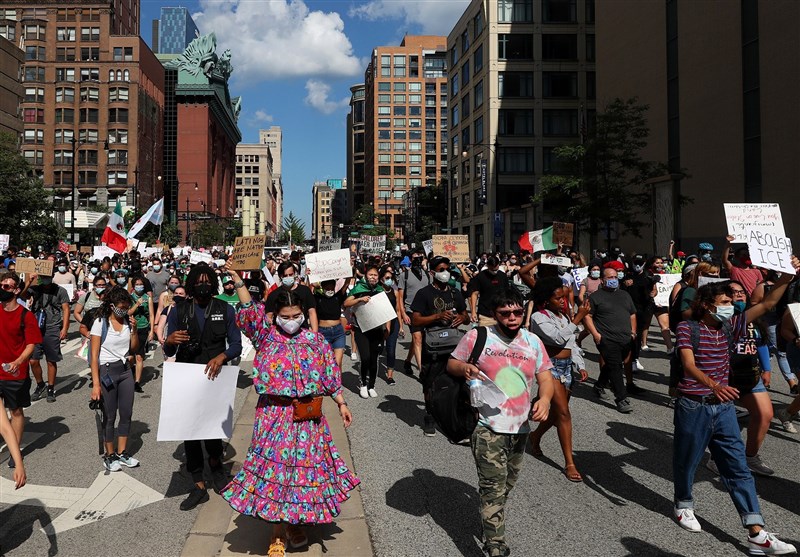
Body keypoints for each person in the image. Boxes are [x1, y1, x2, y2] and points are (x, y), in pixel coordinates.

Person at [222, 270, 359, 557]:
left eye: (296, 314)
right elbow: (249, 310)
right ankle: (276, 535)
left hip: (308, 417)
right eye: (286, 315)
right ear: (275, 315)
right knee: (278, 474)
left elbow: (330, 374)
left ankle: (296, 524)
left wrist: (341, 402)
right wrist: (238, 280)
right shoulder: (266, 337)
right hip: (274, 416)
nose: (292, 320)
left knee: (303, 475)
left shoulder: (315, 341)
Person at [672, 274, 798, 555]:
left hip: (724, 408)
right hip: (694, 406)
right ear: (707, 305)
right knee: (687, 461)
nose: (732, 306)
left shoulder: (732, 325)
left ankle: (757, 533)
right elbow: (689, 365)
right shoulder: (687, 328)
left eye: (732, 301)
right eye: (725, 302)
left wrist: (786, 278)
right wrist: (714, 385)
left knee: (738, 468)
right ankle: (683, 503)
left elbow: (767, 304)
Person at [447, 287, 554, 557]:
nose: (512, 318)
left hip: (520, 428)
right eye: (505, 313)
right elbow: (452, 364)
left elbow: (545, 376)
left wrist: (545, 400)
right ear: (494, 315)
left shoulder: (532, 342)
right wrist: (465, 368)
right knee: (493, 486)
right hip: (486, 426)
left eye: (517, 312)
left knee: (507, 483)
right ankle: (495, 543)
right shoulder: (478, 336)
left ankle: (489, 518)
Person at [164, 264, 242, 511]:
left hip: (215, 377)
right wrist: (168, 341)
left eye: (208, 280)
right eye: (198, 281)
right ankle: (198, 484)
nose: (203, 284)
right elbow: (168, 350)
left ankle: (218, 470)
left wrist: (222, 357)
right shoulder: (179, 310)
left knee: (213, 430)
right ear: (190, 284)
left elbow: (237, 345)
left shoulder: (224, 309)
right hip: (188, 377)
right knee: (191, 433)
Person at [705, 281, 777, 477]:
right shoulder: (722, 320)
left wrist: (767, 369)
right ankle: (716, 458)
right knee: (725, 420)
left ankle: (750, 457)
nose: (739, 296)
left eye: (741, 292)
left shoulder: (753, 320)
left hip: (751, 375)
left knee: (765, 415)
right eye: (733, 293)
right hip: (726, 377)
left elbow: (760, 343)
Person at [528, 277, 590, 482]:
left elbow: (571, 344)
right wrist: (577, 318)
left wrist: (579, 364)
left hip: (567, 368)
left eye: (564, 297)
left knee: (555, 415)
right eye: (558, 298)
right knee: (564, 412)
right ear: (546, 300)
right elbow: (557, 338)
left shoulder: (564, 317)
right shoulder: (539, 317)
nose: (563, 301)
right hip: (550, 367)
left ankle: (535, 436)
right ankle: (569, 463)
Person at [411, 256, 469, 436]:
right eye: (441, 269)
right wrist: (436, 317)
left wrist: (462, 318)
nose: (445, 273)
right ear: (432, 272)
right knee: (429, 383)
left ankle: (457, 419)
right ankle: (430, 416)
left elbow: (464, 314)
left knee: (459, 382)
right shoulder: (424, 294)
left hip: (453, 346)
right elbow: (416, 319)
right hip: (433, 347)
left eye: (447, 269)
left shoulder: (455, 292)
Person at [89, 286, 141, 472]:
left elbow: (133, 348)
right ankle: (109, 455)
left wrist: (134, 330)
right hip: (107, 371)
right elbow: (94, 355)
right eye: (121, 307)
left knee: (126, 413)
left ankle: (122, 452)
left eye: (127, 307)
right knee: (110, 415)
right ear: (112, 306)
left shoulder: (127, 321)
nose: (124, 310)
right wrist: (96, 384)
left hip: (126, 370)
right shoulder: (100, 323)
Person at [0, 272, 42, 470]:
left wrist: (18, 361)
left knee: (15, 411)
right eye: (1, 285)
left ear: (16, 290)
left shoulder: (26, 315)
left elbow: (31, 344)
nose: (2, 289)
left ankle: (14, 449)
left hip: (15, 374)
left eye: (7, 286)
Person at [583, 265, 638, 413]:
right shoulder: (595, 297)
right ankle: (621, 398)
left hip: (625, 338)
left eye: (615, 277)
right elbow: (587, 316)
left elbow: (632, 314)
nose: (614, 280)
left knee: (612, 364)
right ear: (602, 280)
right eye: (610, 277)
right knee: (615, 366)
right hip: (606, 339)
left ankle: (599, 386)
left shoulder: (624, 295)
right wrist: (596, 334)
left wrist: (633, 332)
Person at [344, 265, 392, 399]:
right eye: (370, 275)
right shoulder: (359, 288)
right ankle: (363, 384)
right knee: (365, 357)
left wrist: (387, 327)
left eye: (375, 275)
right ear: (366, 276)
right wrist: (359, 299)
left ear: (379, 278)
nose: (373, 277)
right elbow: (347, 303)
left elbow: (385, 310)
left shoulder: (380, 290)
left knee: (373, 359)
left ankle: (372, 385)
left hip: (376, 329)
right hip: (361, 329)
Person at [22, 272, 69, 403]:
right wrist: (29, 282)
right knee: (33, 360)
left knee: (51, 360)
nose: (45, 279)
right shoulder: (35, 288)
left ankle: (50, 388)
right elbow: (22, 295)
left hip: (52, 327)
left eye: (47, 277)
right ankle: (40, 384)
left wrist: (64, 328)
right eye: (43, 277)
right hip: (35, 327)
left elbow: (66, 309)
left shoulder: (60, 290)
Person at [397, 251, 430, 376]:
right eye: (415, 258)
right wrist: (403, 314)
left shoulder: (427, 275)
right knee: (417, 338)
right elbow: (400, 297)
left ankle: (407, 361)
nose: (418, 260)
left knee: (418, 338)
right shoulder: (404, 275)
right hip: (411, 310)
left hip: (425, 312)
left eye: (420, 258)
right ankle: (422, 370)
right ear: (411, 259)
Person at [265, 262, 318, 331]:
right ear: (280, 276)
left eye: (290, 274)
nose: (288, 277)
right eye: (285, 275)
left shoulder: (305, 291)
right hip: (281, 335)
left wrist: (315, 334)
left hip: (302, 332)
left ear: (295, 274)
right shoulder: (273, 295)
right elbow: (269, 316)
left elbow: (312, 312)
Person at [314, 278, 349, 370]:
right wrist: (309, 278)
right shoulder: (318, 298)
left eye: (331, 288)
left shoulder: (338, 297)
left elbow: (346, 284)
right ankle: (327, 382)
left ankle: (337, 383)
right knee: (326, 362)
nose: (329, 290)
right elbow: (307, 292)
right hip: (323, 333)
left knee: (338, 362)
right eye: (327, 288)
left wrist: (350, 272)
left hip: (338, 332)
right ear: (323, 287)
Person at [128, 275, 154, 393]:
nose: (139, 287)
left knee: (139, 356)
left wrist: (152, 330)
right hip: (131, 329)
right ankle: (130, 373)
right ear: (133, 287)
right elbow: (128, 312)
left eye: (141, 284)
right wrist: (137, 304)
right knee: (130, 356)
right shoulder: (129, 298)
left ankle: (137, 382)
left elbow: (152, 315)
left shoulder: (147, 298)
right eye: (137, 285)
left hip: (143, 328)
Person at [468, 256, 509, 327]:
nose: (494, 272)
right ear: (488, 266)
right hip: (485, 313)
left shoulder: (502, 276)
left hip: (501, 313)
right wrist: (473, 312)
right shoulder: (481, 276)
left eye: (496, 269)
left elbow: (507, 293)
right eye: (492, 270)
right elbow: (475, 294)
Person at [379, 265, 401, 385]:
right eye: (387, 277)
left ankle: (390, 375)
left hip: (394, 322)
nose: (389, 280)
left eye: (391, 278)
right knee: (379, 347)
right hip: (380, 323)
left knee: (391, 349)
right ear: (381, 279)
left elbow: (398, 310)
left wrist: (401, 326)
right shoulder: (377, 291)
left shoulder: (395, 292)